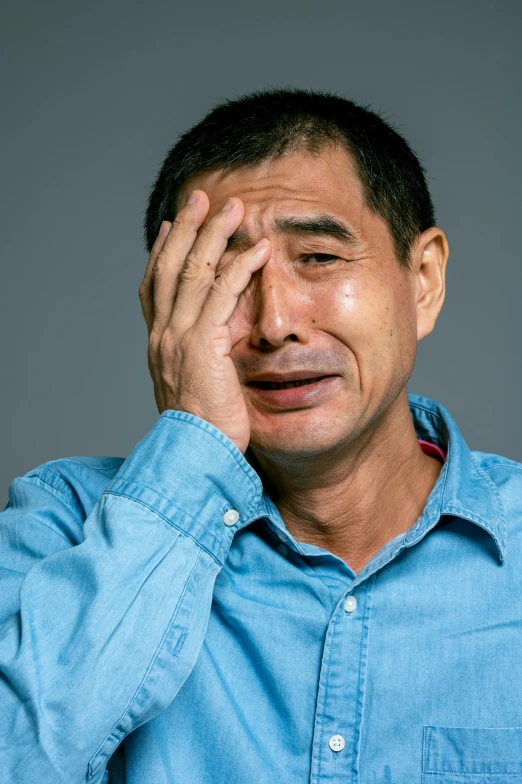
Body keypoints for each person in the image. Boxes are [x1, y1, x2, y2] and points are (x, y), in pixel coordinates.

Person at [1, 88, 522, 784]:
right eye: (221, 272)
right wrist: (194, 443)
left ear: (423, 281)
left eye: (319, 258)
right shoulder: (63, 525)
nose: (274, 323)